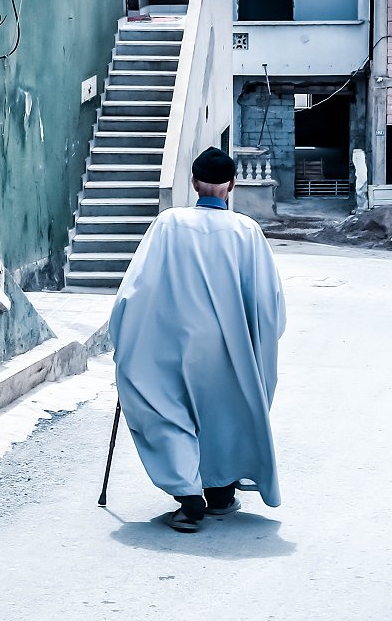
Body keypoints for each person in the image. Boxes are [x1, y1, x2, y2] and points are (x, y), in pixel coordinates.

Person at [108, 147, 287, 533]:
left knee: (166, 409)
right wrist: (261, 341)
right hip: (227, 348)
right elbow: (268, 301)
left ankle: (190, 500)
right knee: (225, 413)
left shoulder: (168, 224)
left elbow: (137, 287)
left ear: (192, 182)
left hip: (172, 343)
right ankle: (220, 492)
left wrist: (124, 332)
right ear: (232, 186)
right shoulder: (246, 231)